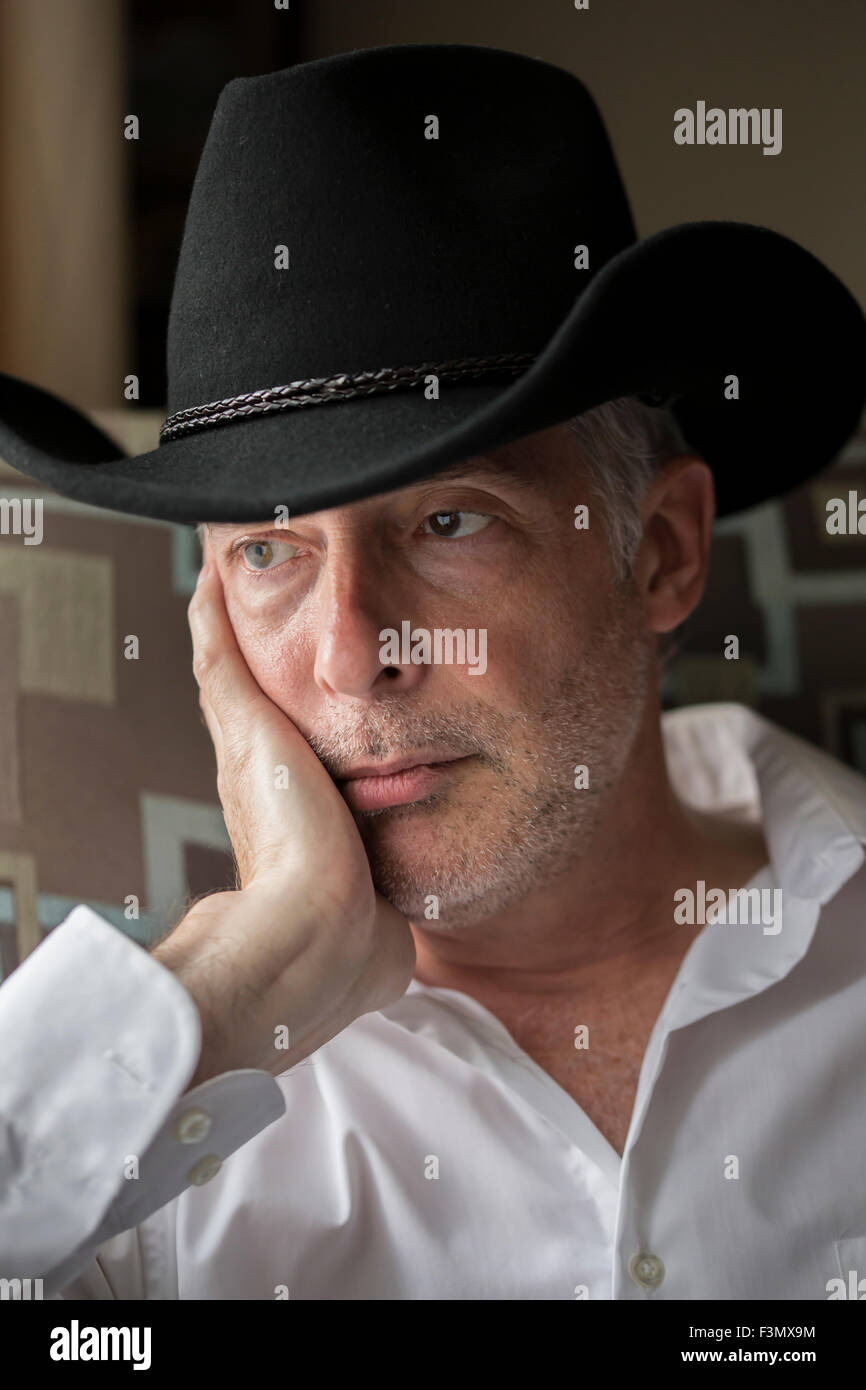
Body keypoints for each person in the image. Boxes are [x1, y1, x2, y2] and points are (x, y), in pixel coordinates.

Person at [1, 43, 865, 1301]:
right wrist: (236, 983)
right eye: (268, 552)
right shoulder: (127, 1160)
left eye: (449, 522)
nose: (353, 653)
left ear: (661, 552)